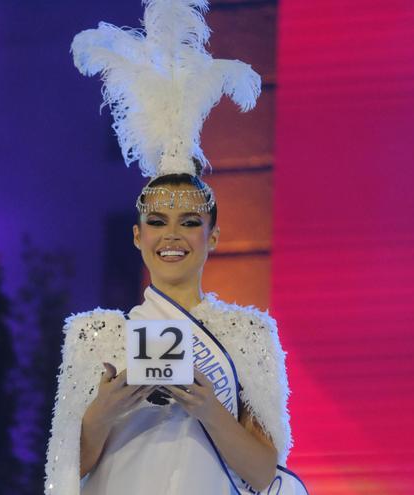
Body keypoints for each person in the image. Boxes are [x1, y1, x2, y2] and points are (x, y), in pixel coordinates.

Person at [45, 1, 306, 492]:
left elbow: (264, 475)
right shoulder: (94, 336)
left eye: (189, 222)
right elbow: (63, 470)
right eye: (157, 221)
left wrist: (209, 408)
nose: (172, 235)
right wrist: (104, 411)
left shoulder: (248, 334)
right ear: (137, 234)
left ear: (214, 236)